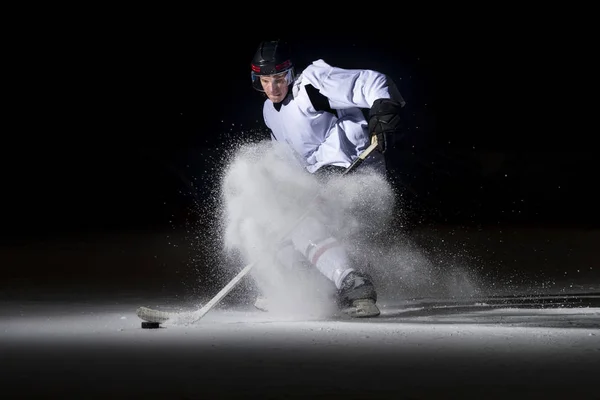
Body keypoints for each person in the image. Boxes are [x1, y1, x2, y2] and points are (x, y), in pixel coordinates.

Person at [247, 39, 405, 318]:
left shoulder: (312, 84)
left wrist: (382, 111)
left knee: (301, 224)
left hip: (354, 171)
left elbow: (372, 81)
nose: (273, 88)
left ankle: (355, 286)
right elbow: (290, 162)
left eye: (280, 78)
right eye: (265, 81)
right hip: (319, 179)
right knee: (276, 226)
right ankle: (306, 290)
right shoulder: (269, 112)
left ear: (291, 74)